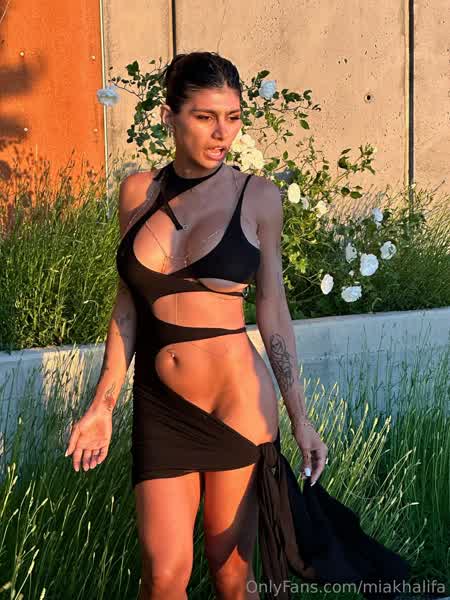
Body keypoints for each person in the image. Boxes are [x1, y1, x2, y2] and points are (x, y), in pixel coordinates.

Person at [65, 52, 410, 600]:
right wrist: (102, 405)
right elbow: (127, 307)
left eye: (232, 117)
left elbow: (273, 310)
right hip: (160, 407)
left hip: (237, 406)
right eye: (205, 117)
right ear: (169, 116)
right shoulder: (137, 192)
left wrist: (301, 419)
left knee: (232, 576)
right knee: (162, 578)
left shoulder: (259, 197)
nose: (222, 132)